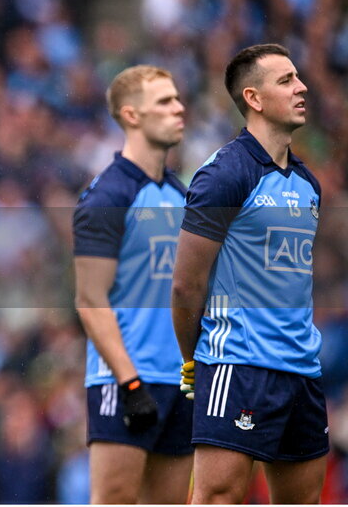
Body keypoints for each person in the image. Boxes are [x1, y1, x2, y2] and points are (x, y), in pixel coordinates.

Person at [172, 44, 327, 504]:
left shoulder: (307, 182)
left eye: (298, 77)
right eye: (286, 81)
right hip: (237, 365)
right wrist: (192, 360)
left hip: (301, 369)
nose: (301, 88)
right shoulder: (224, 174)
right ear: (254, 98)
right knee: (219, 499)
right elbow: (185, 284)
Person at [72, 65, 192, 503]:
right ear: (131, 116)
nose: (179, 108)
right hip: (125, 382)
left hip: (180, 382)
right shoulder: (107, 196)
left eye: (178, 98)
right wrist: (131, 383)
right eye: (164, 101)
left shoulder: (182, 196)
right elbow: (89, 300)